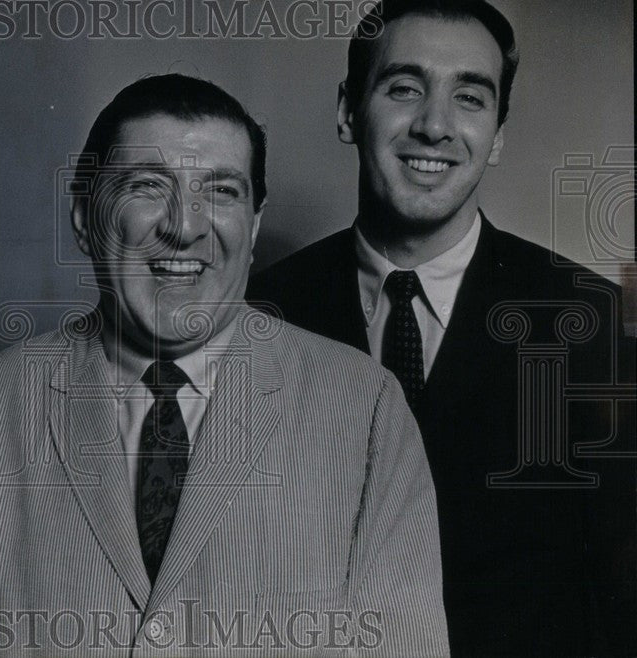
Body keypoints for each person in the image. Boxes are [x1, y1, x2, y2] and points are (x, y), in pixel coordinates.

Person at [0, 73, 448, 655]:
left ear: (255, 225)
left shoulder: (364, 408)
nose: (184, 226)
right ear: (86, 219)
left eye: (221, 191)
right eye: (146, 186)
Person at [248, 1, 636, 654]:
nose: (435, 125)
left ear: (499, 133)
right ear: (349, 111)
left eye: (470, 98)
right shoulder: (261, 315)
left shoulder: (591, 324)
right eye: (404, 88)